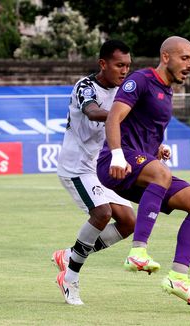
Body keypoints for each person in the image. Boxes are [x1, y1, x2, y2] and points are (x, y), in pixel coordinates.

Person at [96, 36, 190, 309]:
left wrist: (157, 148)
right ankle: (138, 252)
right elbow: (114, 117)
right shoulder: (140, 80)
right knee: (161, 174)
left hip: (142, 162)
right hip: (115, 163)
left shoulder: (167, 90)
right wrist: (116, 155)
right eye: (185, 58)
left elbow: (142, 129)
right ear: (166, 57)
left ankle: (178, 277)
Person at [54, 40, 135, 305]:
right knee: (102, 213)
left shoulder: (125, 90)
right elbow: (92, 111)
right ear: (103, 64)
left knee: (128, 222)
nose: (124, 71)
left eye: (128, 66)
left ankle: (70, 255)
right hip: (75, 166)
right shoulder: (85, 87)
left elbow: (130, 128)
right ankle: (70, 278)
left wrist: (157, 149)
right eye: (119, 65)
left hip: (98, 167)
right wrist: (120, 114)